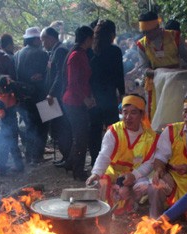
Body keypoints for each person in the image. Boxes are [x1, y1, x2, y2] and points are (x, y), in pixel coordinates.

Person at [86, 95, 158, 216]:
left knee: (144, 187)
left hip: (136, 173)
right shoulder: (114, 131)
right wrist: (96, 173)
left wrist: (133, 176)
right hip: (114, 171)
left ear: (142, 115)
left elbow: (149, 163)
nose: (128, 117)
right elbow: (104, 155)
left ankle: (129, 203)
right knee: (102, 182)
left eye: (133, 113)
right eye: (125, 113)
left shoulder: (151, 137)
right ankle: (104, 212)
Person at [136, 11, 187, 119]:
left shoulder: (173, 36)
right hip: (156, 85)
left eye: (149, 32)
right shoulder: (141, 44)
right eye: (144, 32)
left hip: (176, 83)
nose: (147, 35)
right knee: (157, 116)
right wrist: (160, 73)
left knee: (176, 113)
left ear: (158, 27)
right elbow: (144, 69)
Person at [89, 20, 125, 166]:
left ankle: (94, 163)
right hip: (109, 95)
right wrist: (122, 93)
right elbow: (118, 75)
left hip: (93, 96)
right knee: (113, 130)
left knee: (95, 130)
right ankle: (114, 161)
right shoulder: (114, 51)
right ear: (111, 34)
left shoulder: (90, 50)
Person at [62, 26, 95, 181]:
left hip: (77, 100)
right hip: (74, 102)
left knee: (80, 135)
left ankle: (71, 164)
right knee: (80, 137)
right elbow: (73, 83)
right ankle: (78, 171)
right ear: (88, 39)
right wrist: (85, 99)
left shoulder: (80, 54)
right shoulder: (76, 55)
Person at [14, 27, 49, 165]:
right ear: (35, 39)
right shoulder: (41, 54)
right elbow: (48, 74)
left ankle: (29, 155)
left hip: (23, 96)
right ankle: (37, 155)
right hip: (40, 95)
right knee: (42, 126)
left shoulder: (17, 54)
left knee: (28, 126)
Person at [41, 26, 70, 166]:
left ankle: (68, 157)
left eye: (44, 40)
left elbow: (60, 75)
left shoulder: (60, 51)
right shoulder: (53, 51)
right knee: (56, 129)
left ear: (51, 38)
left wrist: (51, 93)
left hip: (57, 97)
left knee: (61, 127)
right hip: (52, 96)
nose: (42, 43)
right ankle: (65, 156)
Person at [0, 75, 26, 175]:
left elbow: (1, 115)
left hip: (5, 127)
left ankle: (0, 168)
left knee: (3, 146)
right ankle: (19, 165)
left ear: (0, 87)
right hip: (13, 125)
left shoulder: (1, 100)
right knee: (14, 146)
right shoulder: (12, 96)